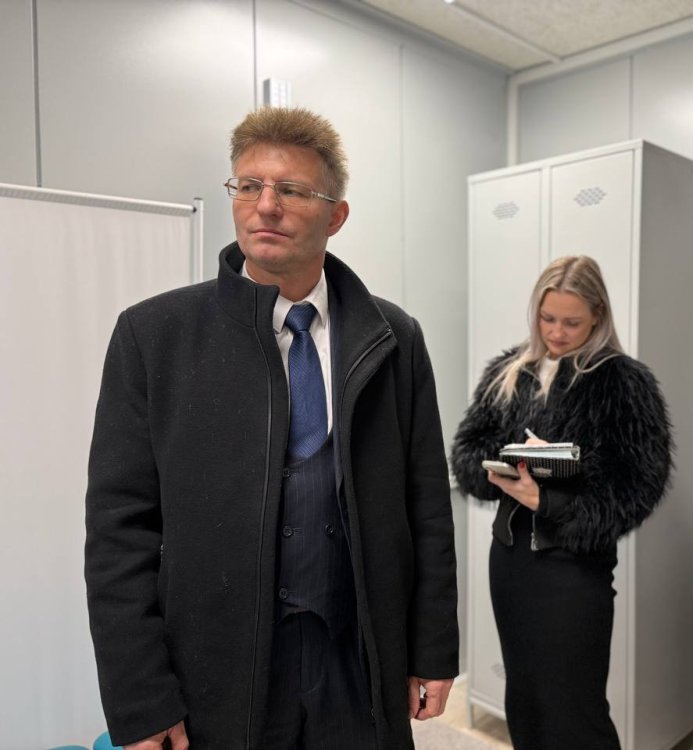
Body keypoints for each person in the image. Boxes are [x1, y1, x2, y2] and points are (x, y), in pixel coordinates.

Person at [84, 107, 458, 749]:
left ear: (336, 216)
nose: (266, 206)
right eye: (249, 185)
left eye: (291, 190)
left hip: (358, 663)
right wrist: (140, 697)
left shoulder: (394, 337)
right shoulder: (154, 336)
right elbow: (120, 530)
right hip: (219, 672)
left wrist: (432, 647)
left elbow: (425, 507)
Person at [450, 255, 672, 749]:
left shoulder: (623, 381)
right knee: (525, 701)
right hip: (511, 562)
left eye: (571, 322)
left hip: (575, 567)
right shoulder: (510, 370)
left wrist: (549, 500)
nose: (556, 332)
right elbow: (467, 452)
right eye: (547, 318)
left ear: (597, 315)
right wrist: (510, 463)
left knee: (575, 710)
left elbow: (639, 486)